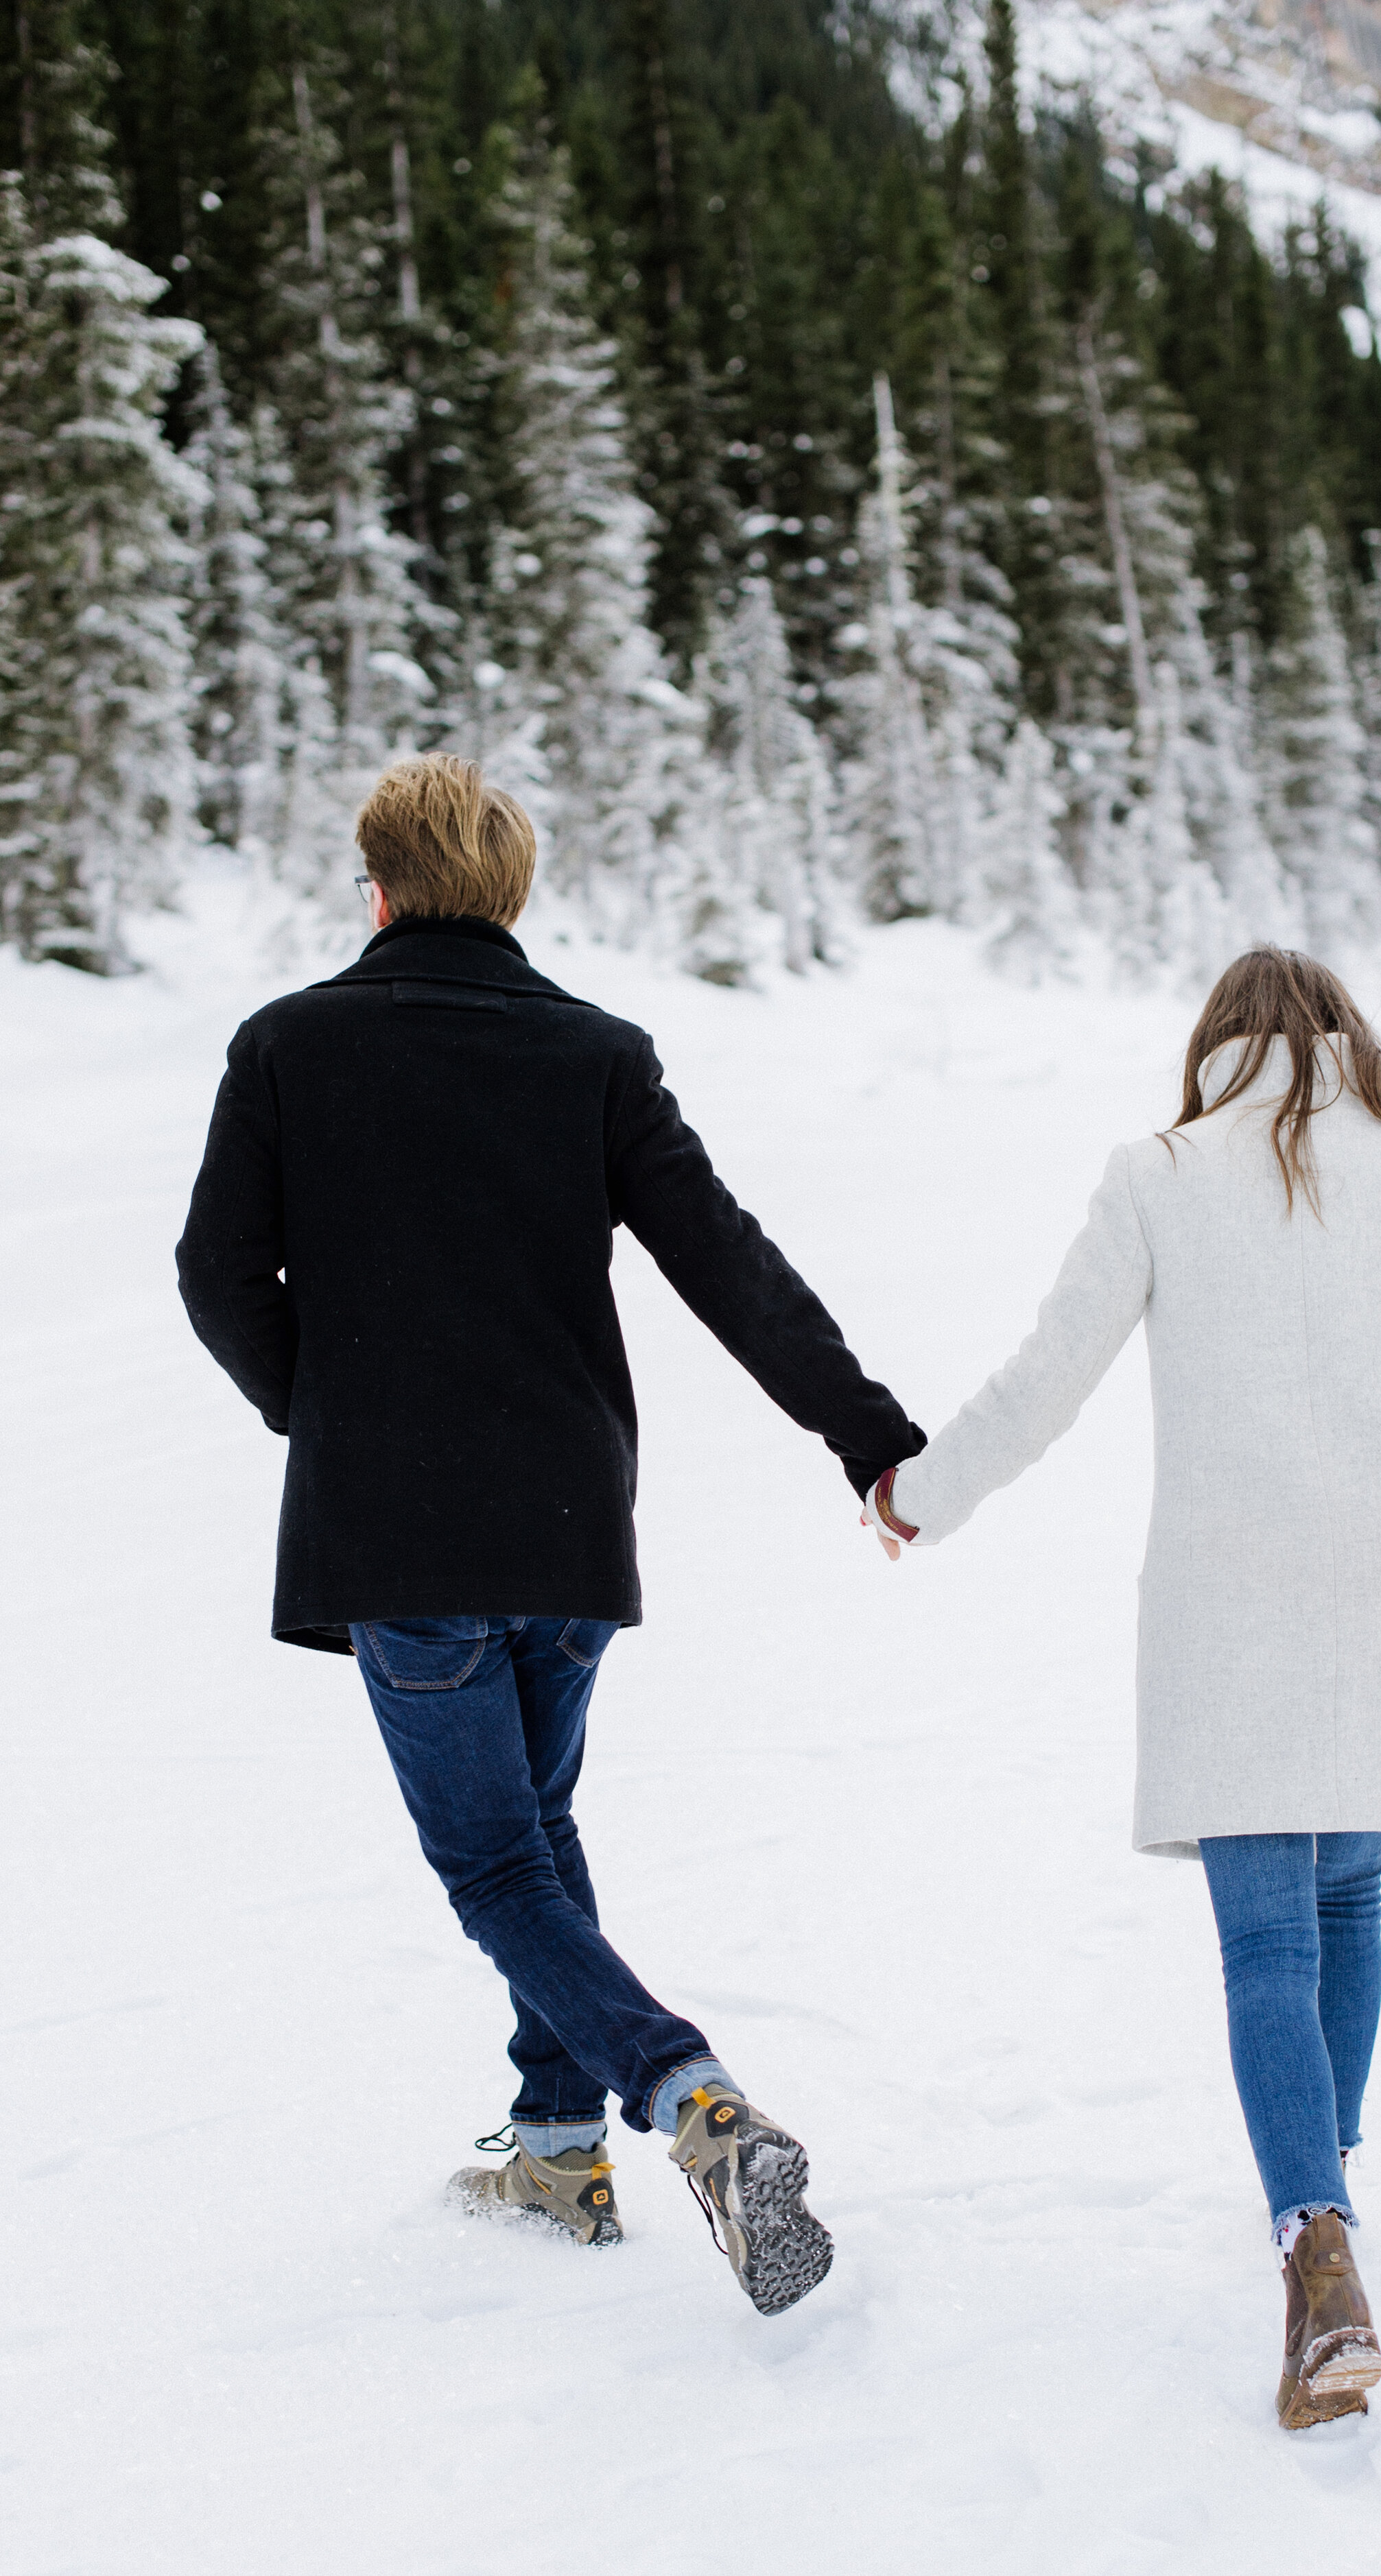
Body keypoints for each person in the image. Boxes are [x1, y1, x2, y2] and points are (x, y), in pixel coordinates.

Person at [176, 752, 923, 2319]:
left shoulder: (290, 1045)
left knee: (497, 1864)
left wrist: (321, 1414)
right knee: (540, 1836)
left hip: (402, 1538)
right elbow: (727, 1264)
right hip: (568, 1523)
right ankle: (553, 2147)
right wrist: (864, 1435)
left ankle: (687, 2102)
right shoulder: (593, 1054)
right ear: (511, 895)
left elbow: (216, 1273)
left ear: (372, 894)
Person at [860, 947, 1381, 2425]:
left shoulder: (1158, 1171)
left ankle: (1313, 2236)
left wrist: (921, 1492)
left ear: (1212, 1048)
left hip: (1227, 1605)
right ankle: (1323, 2198)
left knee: (1262, 1947)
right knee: (1344, 1901)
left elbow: (1048, 1374)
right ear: (1346, 1040)